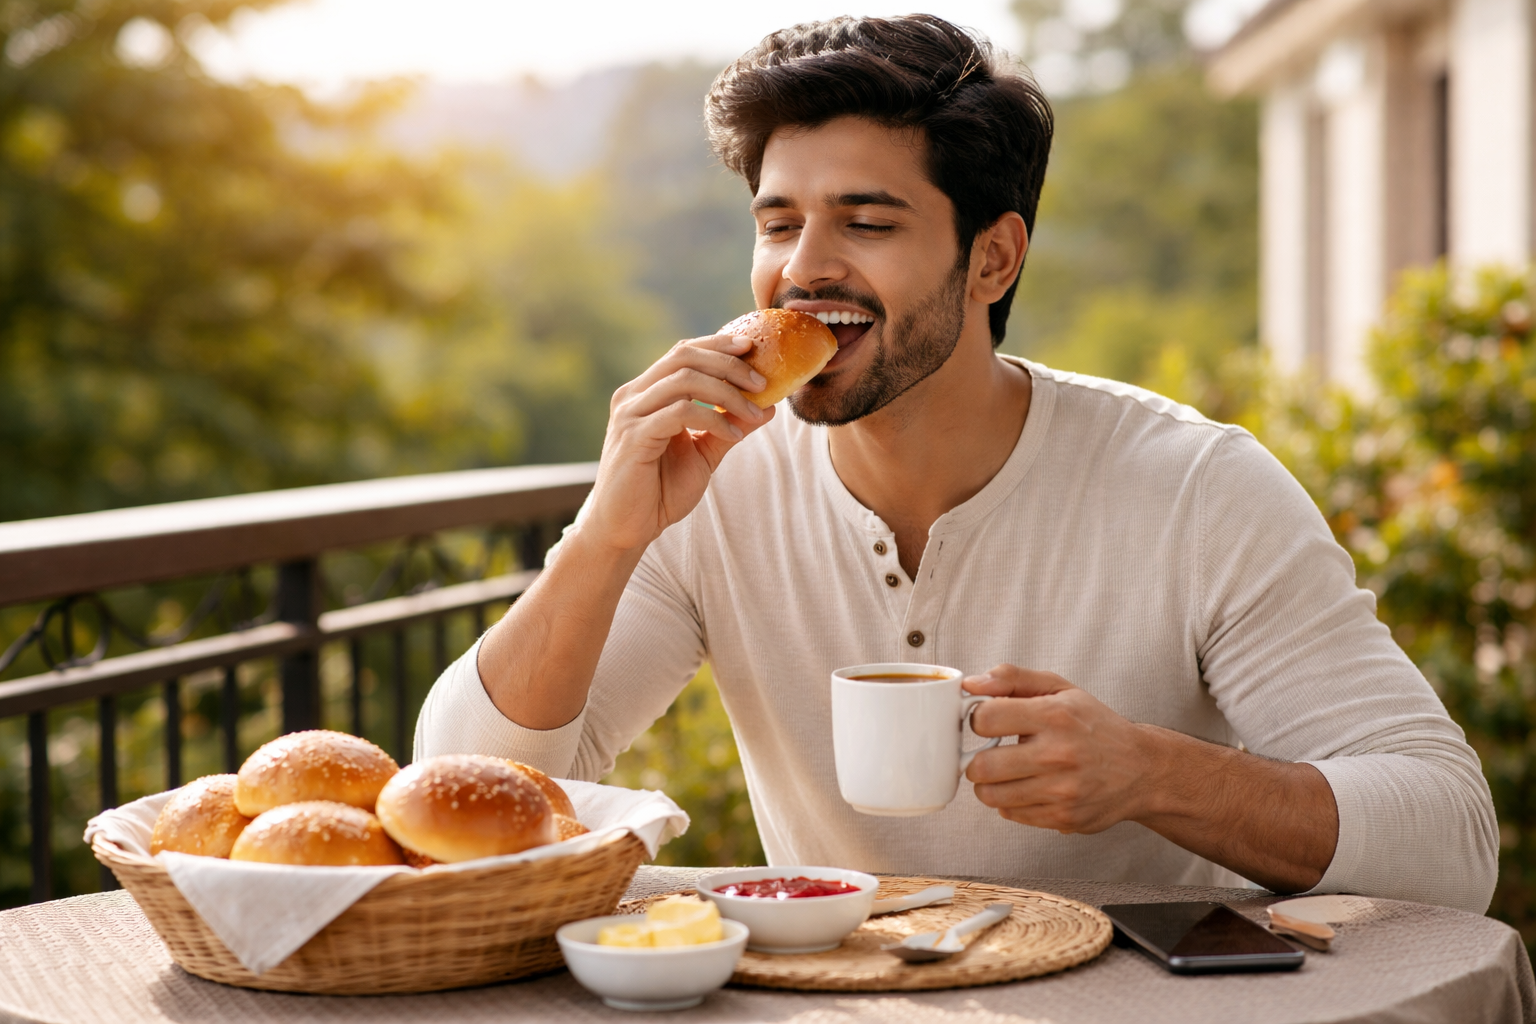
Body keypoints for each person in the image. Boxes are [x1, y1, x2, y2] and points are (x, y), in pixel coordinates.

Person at [416, 14, 1497, 911]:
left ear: (993, 256)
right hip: (844, 997)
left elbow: (1449, 840)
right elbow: (464, 799)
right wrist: (608, 531)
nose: (804, 269)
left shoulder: (1195, 486)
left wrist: (1153, 773)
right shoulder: (717, 480)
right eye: (778, 222)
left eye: (866, 222)